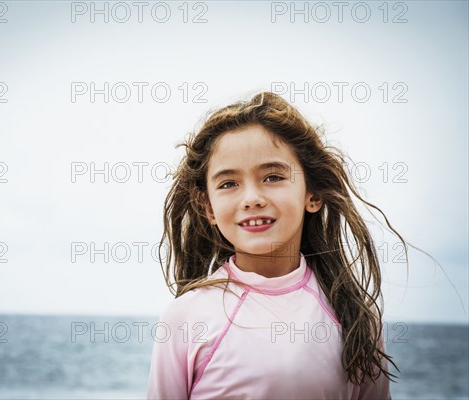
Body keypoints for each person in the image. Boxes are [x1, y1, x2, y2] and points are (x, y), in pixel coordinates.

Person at [146, 91, 403, 399]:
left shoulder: (355, 317)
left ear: (313, 193)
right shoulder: (185, 317)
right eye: (229, 184)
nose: (252, 198)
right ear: (208, 207)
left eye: (273, 177)